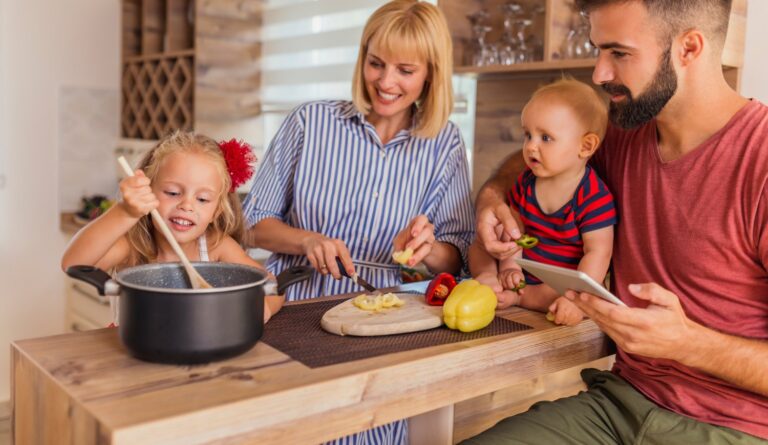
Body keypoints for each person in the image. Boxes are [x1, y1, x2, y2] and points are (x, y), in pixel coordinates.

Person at [467, 0, 768, 443]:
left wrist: (688, 343)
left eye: (619, 53)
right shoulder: (623, 134)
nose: (599, 73)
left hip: (734, 428)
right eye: (598, 50)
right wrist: (493, 199)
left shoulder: (759, 160)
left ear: (688, 48)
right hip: (619, 403)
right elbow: (533, 162)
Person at [243, 1, 474, 443]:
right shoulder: (310, 123)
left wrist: (428, 249)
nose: (386, 82)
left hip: (387, 322)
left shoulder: (444, 143)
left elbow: (457, 254)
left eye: (405, 70)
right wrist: (307, 240)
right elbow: (253, 224)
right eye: (376, 63)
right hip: (293, 311)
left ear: (430, 74)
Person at [61, 131, 284, 322]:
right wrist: (125, 212)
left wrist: (263, 307)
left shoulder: (217, 246)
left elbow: (274, 287)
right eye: (173, 193)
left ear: (216, 211)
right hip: (135, 352)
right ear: (149, 191)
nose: (186, 205)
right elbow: (74, 263)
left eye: (203, 199)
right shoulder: (132, 246)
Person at [469, 79, 616, 327]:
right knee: (480, 243)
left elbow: (598, 253)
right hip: (524, 268)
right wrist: (509, 266)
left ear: (585, 146)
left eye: (545, 138)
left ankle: (517, 297)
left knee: (565, 293)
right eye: (528, 135)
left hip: (559, 283)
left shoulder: (593, 197)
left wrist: (578, 299)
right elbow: (514, 230)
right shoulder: (527, 181)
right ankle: (489, 278)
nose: (530, 146)